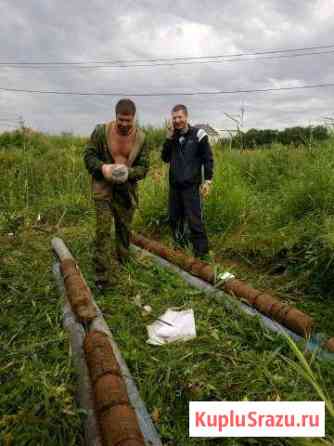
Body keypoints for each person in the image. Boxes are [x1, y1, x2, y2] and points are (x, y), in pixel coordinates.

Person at [84, 98, 149, 289]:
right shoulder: (100, 132)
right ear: (116, 116)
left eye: (128, 120)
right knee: (103, 231)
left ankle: (123, 263)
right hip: (103, 189)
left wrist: (129, 173)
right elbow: (88, 157)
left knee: (124, 229)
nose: (124, 123)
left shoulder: (141, 138)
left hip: (126, 191)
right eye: (121, 119)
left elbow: (144, 167)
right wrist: (103, 168)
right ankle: (101, 277)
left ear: (134, 118)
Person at [161, 104, 214, 258]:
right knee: (174, 219)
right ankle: (180, 250)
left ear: (186, 117)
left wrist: (208, 181)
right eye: (174, 118)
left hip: (191, 187)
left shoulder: (198, 135)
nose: (177, 121)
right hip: (175, 187)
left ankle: (202, 254)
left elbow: (208, 159)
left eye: (180, 117)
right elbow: (164, 158)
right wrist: (168, 138)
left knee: (195, 221)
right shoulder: (172, 137)